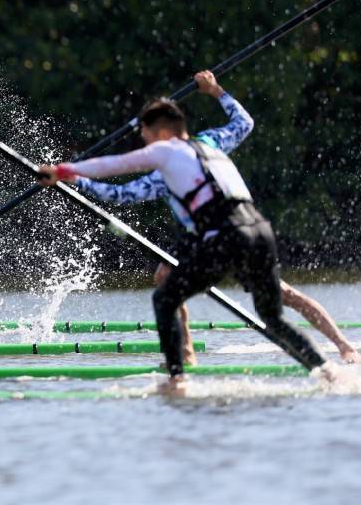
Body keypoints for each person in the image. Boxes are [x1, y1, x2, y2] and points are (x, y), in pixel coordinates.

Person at [40, 78, 329, 392]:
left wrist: (66, 173)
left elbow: (116, 169)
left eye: (145, 134)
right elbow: (244, 123)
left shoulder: (165, 149)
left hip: (226, 237)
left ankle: (177, 380)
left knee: (165, 298)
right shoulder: (212, 142)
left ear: (162, 132)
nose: (145, 142)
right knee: (273, 319)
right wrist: (217, 92)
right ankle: (328, 372)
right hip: (261, 231)